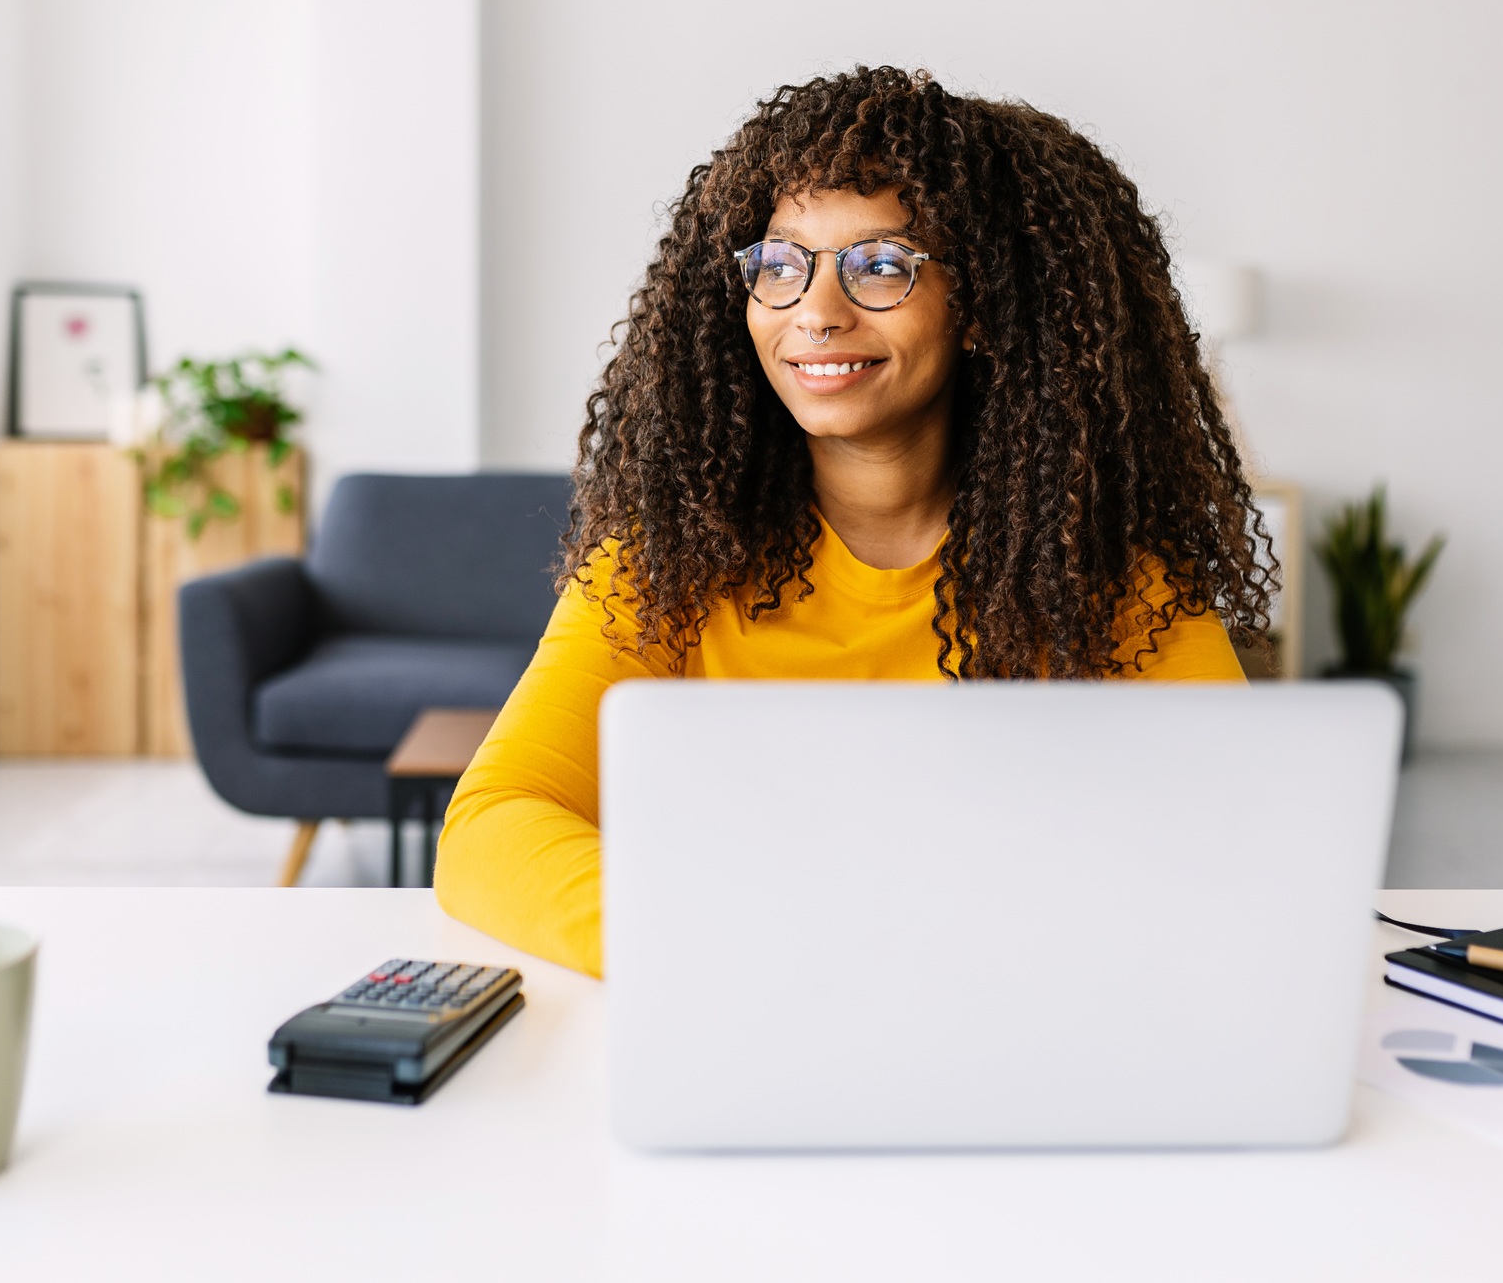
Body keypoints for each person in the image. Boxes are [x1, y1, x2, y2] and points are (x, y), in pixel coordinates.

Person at [435, 67, 1274, 976]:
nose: (816, 313)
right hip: (743, 1019)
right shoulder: (665, 567)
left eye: (881, 265)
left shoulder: (1109, 581)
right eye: (781, 265)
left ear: (984, 307)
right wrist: (737, 942)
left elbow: (1234, 847)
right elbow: (492, 824)